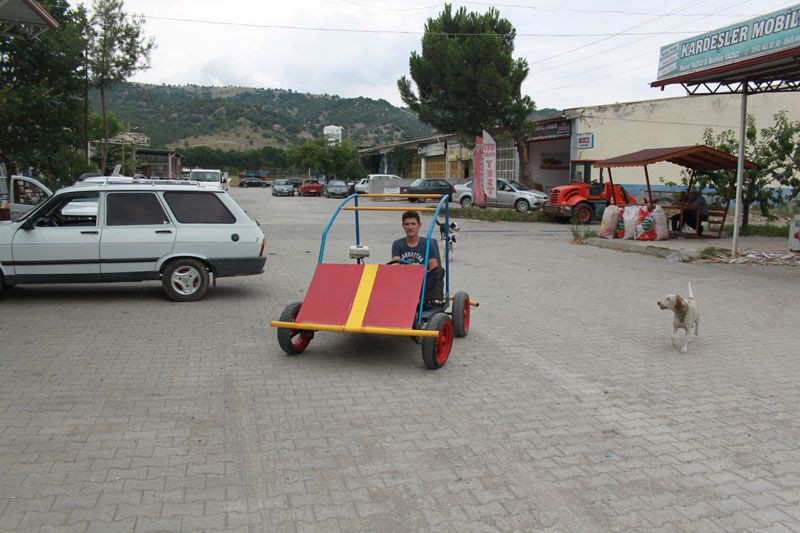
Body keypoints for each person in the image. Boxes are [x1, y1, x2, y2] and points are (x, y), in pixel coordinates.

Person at [391, 210, 445, 303]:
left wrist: (417, 272)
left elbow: (434, 268)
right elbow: (395, 266)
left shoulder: (427, 243)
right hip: (404, 281)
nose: (410, 227)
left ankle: (421, 298)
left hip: (423, 281)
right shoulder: (397, 244)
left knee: (439, 271)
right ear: (403, 226)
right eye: (407, 224)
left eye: (413, 224)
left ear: (419, 225)